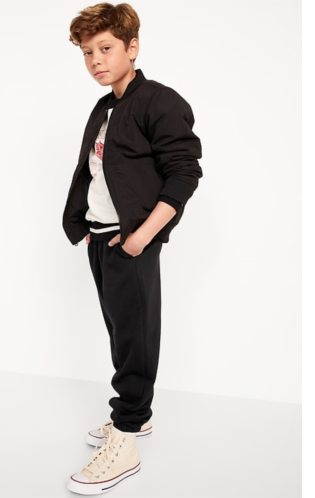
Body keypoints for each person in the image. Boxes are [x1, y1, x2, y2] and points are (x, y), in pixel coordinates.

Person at [63, 3, 203, 494]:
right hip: (101, 238)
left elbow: (184, 173)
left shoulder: (159, 101)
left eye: (105, 48)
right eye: (87, 53)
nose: (95, 60)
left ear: (132, 47)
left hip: (132, 244)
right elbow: (97, 173)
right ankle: (134, 415)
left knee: (136, 337)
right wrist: (84, 224)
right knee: (120, 333)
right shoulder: (105, 107)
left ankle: (126, 436)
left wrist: (142, 236)